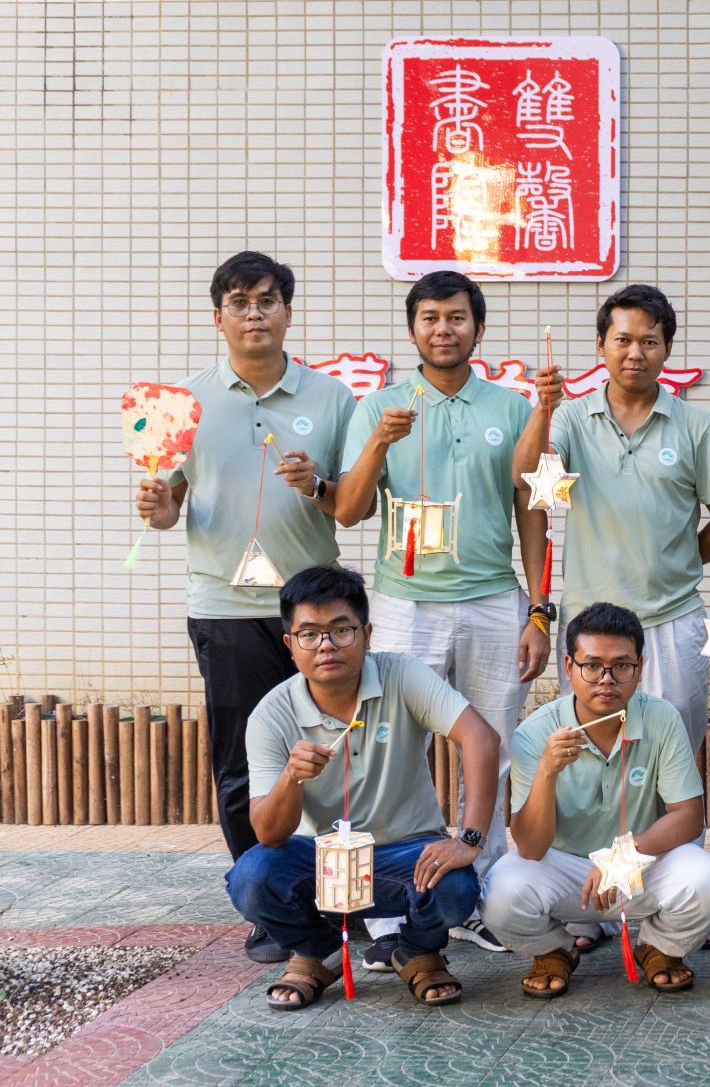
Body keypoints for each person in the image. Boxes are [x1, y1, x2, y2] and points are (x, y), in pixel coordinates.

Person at [137, 251, 356, 963]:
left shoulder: (332, 398)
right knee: (240, 760)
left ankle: (340, 897)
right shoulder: (182, 402)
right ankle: (266, 906)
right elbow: (167, 509)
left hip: (315, 611)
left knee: (331, 754)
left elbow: (351, 504)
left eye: (267, 300)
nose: (254, 313)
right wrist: (157, 504)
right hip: (225, 606)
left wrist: (316, 483)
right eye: (239, 302)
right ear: (218, 317)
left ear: (288, 311)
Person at [335, 270, 547, 957]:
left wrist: (539, 610)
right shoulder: (381, 407)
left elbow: (532, 510)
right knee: (392, 749)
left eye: (456, 317)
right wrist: (378, 442)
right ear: (412, 329)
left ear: (478, 329)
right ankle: (392, 906)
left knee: (496, 746)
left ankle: (477, 892)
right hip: (405, 602)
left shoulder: (512, 407)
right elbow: (348, 510)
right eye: (429, 317)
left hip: (493, 599)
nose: (443, 329)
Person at [225, 565, 501, 1011]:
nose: (326, 645)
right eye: (309, 634)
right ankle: (317, 952)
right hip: (320, 859)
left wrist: (469, 839)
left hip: (408, 854)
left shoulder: (401, 675)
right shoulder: (271, 714)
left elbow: (481, 738)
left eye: (341, 630)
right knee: (252, 877)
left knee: (456, 885)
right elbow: (269, 834)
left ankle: (418, 950)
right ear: (290, 645)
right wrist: (291, 778)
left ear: (367, 634)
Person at [516, 283, 710, 749]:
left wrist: (688, 554)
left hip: (673, 619)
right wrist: (543, 409)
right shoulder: (571, 418)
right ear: (601, 345)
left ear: (667, 348)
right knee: (592, 749)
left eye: (649, 341)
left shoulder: (696, 427)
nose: (635, 353)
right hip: (590, 622)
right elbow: (526, 477)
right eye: (623, 340)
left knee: (673, 748)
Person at [483, 603, 710, 998]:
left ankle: (660, 947)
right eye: (592, 665)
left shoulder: (661, 718)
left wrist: (623, 856)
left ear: (640, 667)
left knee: (709, 883)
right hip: (565, 870)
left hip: (638, 864)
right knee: (499, 894)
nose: (606, 679)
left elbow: (688, 817)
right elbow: (530, 847)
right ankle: (553, 950)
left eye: (621, 666)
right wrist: (547, 771)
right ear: (569, 666)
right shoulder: (535, 732)